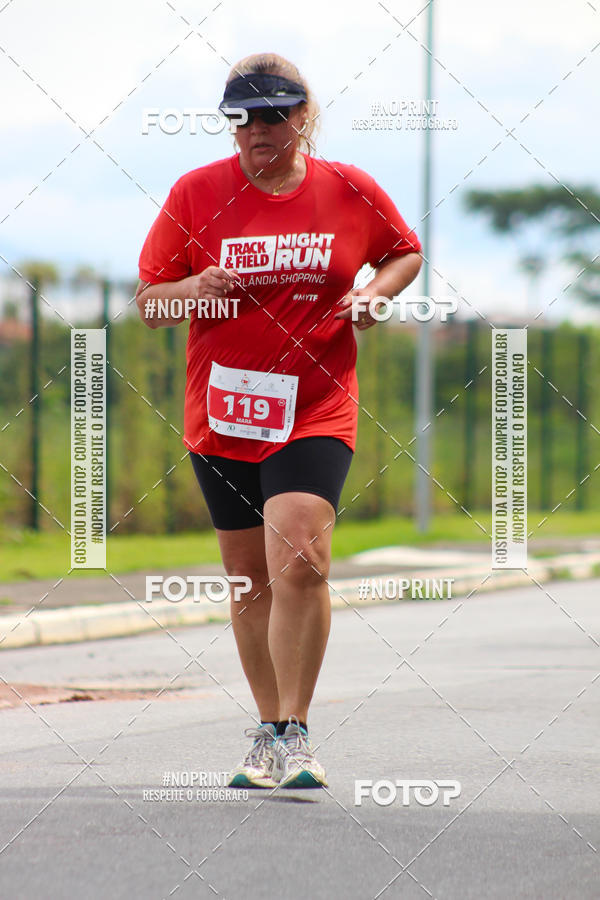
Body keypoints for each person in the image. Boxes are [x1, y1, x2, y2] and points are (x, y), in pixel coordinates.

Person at [135, 52, 422, 789]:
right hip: (225, 412)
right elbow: (150, 304)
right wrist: (194, 285)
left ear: (304, 117)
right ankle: (265, 729)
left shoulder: (349, 190)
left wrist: (374, 296)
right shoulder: (196, 195)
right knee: (247, 579)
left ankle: (297, 732)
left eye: (274, 115)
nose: (258, 130)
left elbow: (404, 253)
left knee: (300, 555)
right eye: (243, 118)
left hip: (315, 404)